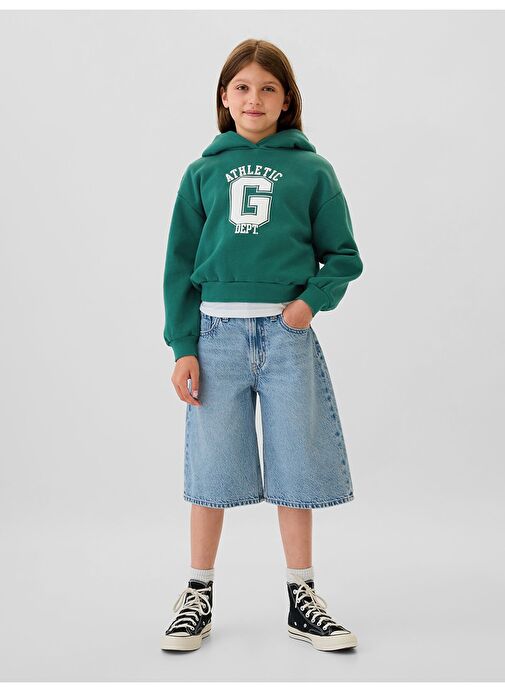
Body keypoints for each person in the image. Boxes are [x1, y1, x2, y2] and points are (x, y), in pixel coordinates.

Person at [160, 38, 364, 653]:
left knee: (296, 466)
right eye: (243, 87)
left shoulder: (312, 170)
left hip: (286, 337)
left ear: (286, 100)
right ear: (225, 97)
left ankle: (302, 596)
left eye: (268, 88)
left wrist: (309, 302)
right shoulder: (201, 173)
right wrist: (183, 345)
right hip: (216, 339)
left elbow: (344, 256)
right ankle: (197, 593)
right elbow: (179, 265)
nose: (255, 99)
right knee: (213, 468)